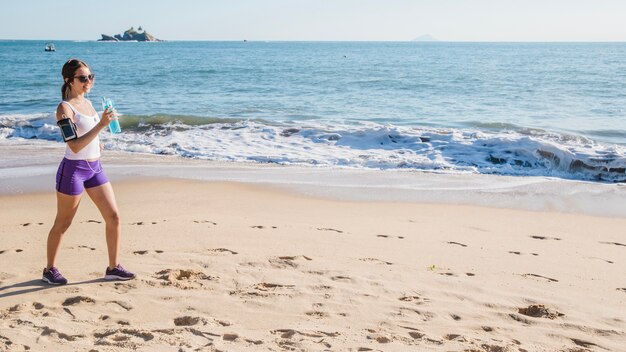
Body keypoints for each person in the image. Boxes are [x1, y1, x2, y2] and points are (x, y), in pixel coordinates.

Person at [42, 58, 135, 285]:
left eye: (90, 77)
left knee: (114, 217)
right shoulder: (64, 108)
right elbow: (73, 145)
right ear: (68, 80)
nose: (88, 82)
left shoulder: (90, 103)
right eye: (82, 78)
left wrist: (98, 142)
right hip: (73, 170)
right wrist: (101, 125)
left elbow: (88, 137)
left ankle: (113, 267)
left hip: (95, 168)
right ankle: (49, 270)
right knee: (63, 223)